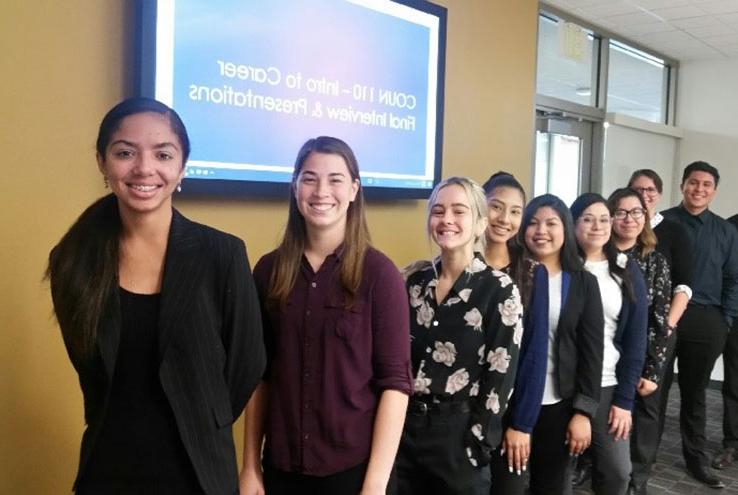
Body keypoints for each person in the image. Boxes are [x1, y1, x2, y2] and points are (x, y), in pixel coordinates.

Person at [46, 97, 266, 494]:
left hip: (198, 475)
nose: (144, 168)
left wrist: (201, 417)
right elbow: (91, 374)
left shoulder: (222, 254)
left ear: (181, 166)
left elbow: (247, 365)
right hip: (107, 473)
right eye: (125, 152)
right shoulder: (72, 261)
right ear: (102, 162)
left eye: (162, 154)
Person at [240, 136, 412, 495]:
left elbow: (395, 384)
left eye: (335, 179)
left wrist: (376, 484)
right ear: (295, 187)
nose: (321, 191)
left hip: (354, 473)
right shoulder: (269, 271)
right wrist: (250, 466)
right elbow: (260, 376)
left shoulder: (380, 275)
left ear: (353, 189)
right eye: (309, 178)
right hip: (281, 470)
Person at [394, 176, 522, 494]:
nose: (446, 219)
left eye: (459, 211)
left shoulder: (499, 289)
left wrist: (480, 441)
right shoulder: (412, 282)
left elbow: (501, 374)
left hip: (458, 434)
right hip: (402, 430)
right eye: (438, 211)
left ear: (480, 224)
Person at [517, 194, 605, 495]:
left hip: (559, 403)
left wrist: (583, 412)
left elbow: (592, 352)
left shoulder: (582, 282)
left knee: (550, 486)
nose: (541, 231)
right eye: (533, 223)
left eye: (551, 223)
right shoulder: (510, 275)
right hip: (510, 402)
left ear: (565, 229)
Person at [661, 161, 738, 488]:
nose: (699, 189)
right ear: (683, 185)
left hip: (708, 320)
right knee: (655, 392)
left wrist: (725, 321)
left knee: (695, 395)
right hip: (665, 319)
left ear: (714, 190)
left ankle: (696, 461)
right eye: (693, 183)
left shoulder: (726, 231)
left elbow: (734, 279)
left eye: (706, 185)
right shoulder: (662, 222)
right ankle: (642, 460)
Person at [570, 193, 648, 495]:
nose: (597, 226)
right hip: (563, 382)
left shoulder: (626, 269)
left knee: (617, 472)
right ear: (573, 223)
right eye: (587, 219)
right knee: (559, 470)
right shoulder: (561, 266)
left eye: (604, 218)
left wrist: (625, 401)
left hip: (607, 384)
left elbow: (635, 340)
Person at [481, 173, 549, 494]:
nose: (505, 219)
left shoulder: (533, 273)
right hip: (460, 412)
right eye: (496, 207)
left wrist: (522, 424)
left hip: (509, 411)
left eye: (515, 211)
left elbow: (535, 354)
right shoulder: (460, 264)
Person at [626, 170, 693, 493]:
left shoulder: (675, 232)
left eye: (650, 190)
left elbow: (684, 285)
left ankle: (639, 474)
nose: (644, 194)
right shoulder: (616, 233)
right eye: (638, 190)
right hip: (619, 334)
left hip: (660, 330)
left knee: (649, 403)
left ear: (660, 194)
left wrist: (666, 327)